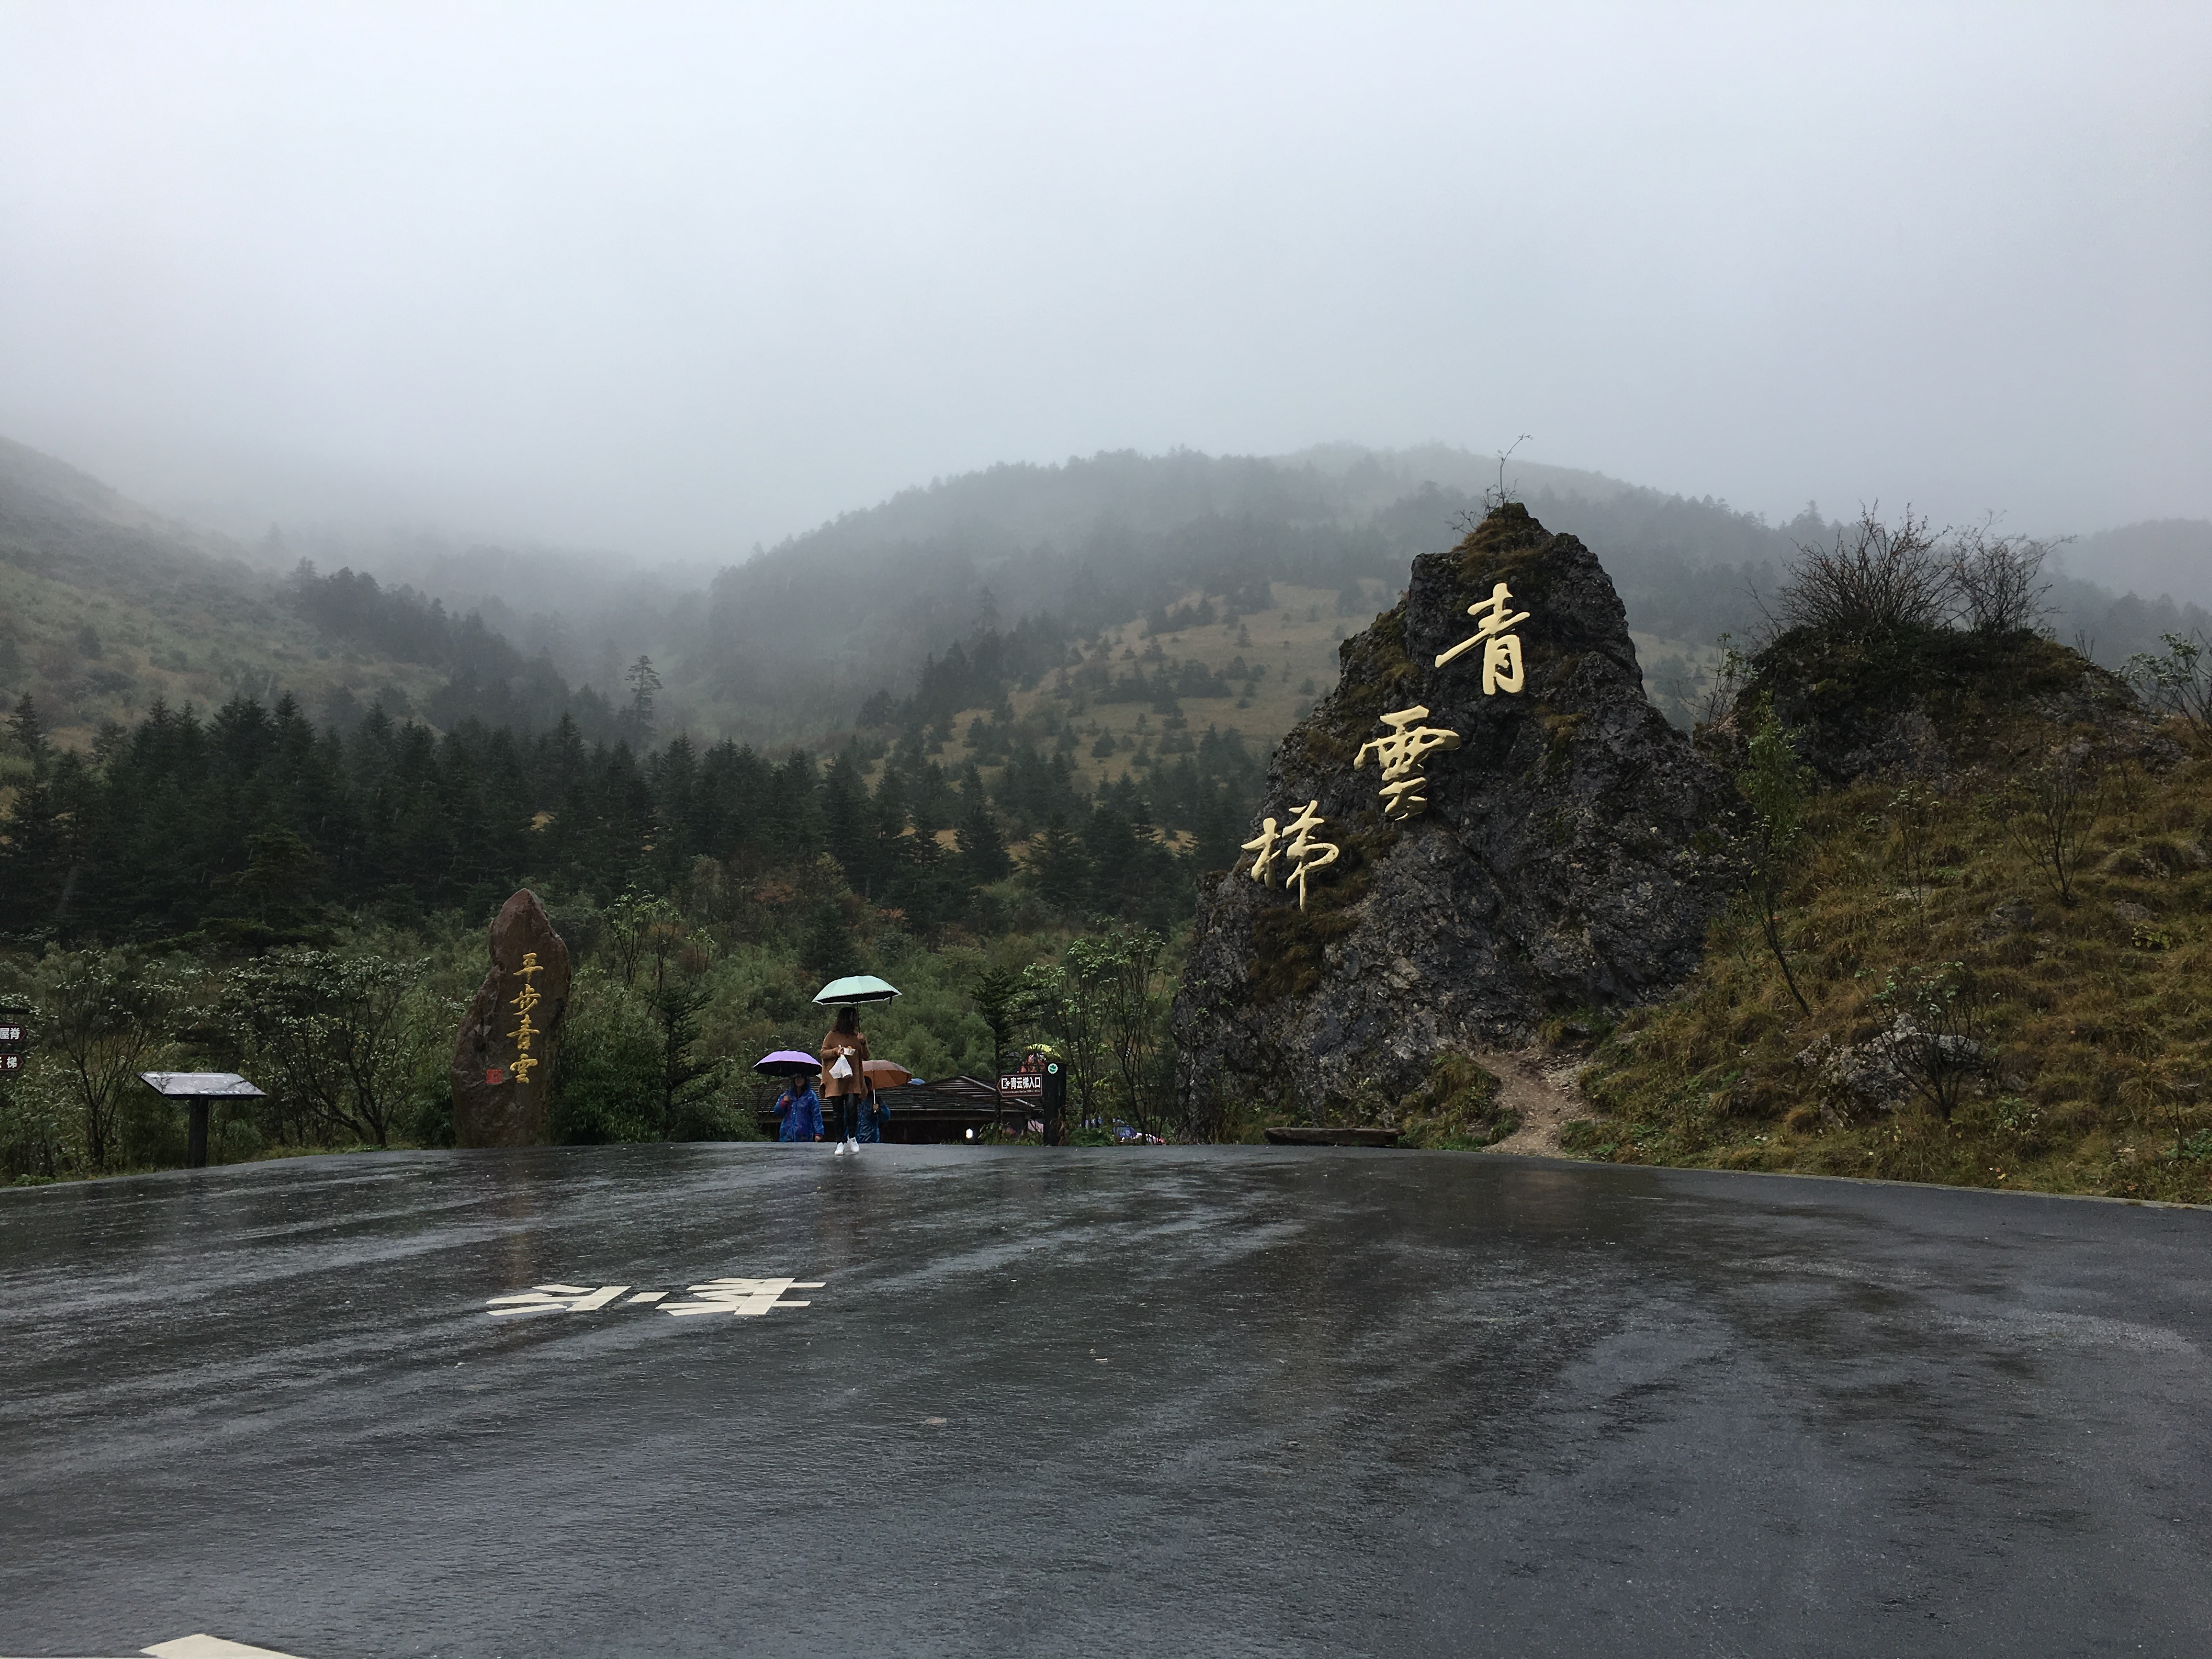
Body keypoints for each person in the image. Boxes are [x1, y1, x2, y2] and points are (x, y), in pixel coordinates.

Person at [819, 1003, 871, 1155]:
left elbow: (866, 1056)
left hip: (852, 1079)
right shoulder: (832, 1036)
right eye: (853, 1018)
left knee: (852, 1108)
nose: (855, 1021)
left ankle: (852, 1137)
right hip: (836, 1079)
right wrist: (836, 1051)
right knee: (838, 1112)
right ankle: (839, 1141)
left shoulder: (857, 1036)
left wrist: (863, 1043)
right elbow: (823, 1053)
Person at [774, 1077, 822, 1144]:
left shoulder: (811, 1096)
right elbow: (777, 1111)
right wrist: (784, 1102)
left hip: (804, 1135)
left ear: (806, 1080)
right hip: (787, 1134)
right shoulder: (788, 1094)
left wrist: (818, 1133)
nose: (799, 1080)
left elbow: (816, 1115)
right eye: (797, 1078)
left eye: (801, 1078)